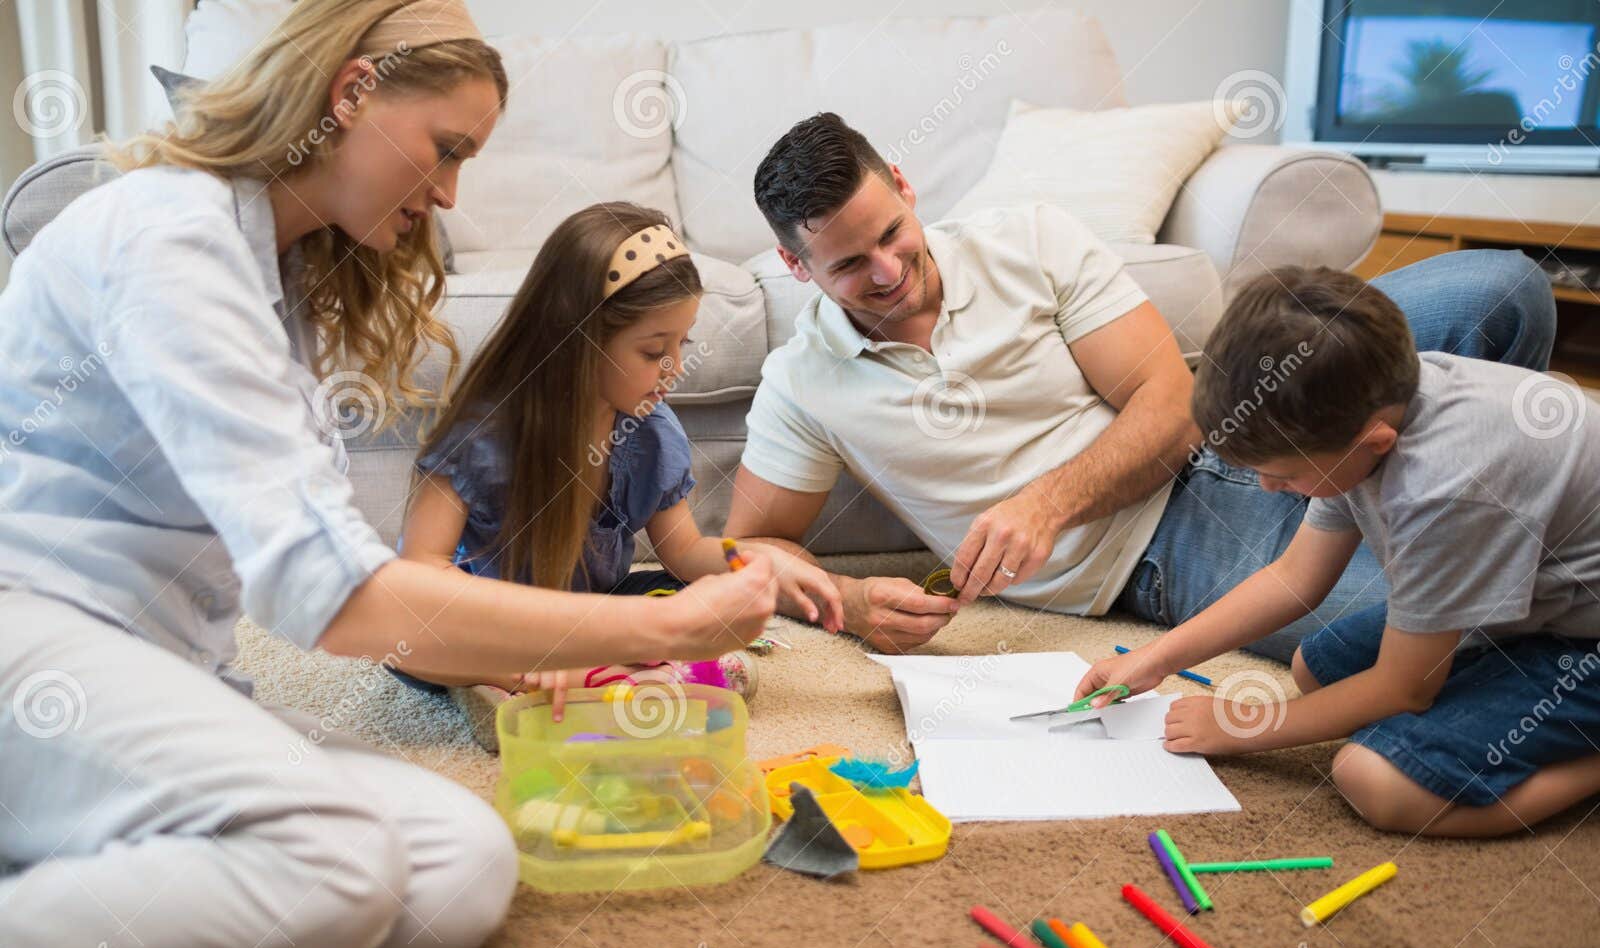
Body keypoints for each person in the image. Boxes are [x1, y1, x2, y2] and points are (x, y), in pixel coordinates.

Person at [0, 0, 774, 948]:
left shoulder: (276, 274)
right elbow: (336, 597)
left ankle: (68, 872)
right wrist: (661, 630)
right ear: (351, 93)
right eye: (445, 149)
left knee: (462, 861)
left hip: (165, 667)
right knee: (337, 857)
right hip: (34, 641)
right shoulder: (169, 236)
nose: (449, 193)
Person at [724, 112, 1557, 660]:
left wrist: (1044, 504)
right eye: (848, 263)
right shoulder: (802, 383)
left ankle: (1436, 497)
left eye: (893, 233)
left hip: (1238, 424)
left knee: (1504, 289)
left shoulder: (1028, 239)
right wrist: (849, 600)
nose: (888, 271)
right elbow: (748, 545)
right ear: (796, 266)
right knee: (1479, 625)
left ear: (905, 188)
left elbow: (1172, 404)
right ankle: (1419, 521)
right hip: (1165, 554)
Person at [1078, 267, 1600, 837]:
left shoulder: (1445, 488)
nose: (1267, 489)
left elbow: (1407, 688)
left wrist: (1243, 726)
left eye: (1284, 476)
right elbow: (1295, 578)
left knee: (1375, 779)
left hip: (1582, 643)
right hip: (1540, 604)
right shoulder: (1365, 411)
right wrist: (1155, 659)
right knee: (1316, 669)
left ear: (1374, 443)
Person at [394, 201, 841, 722]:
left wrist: (755, 563)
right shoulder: (482, 435)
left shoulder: (648, 430)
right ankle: (538, 677)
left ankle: (567, 680)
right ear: (576, 341)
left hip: (591, 615)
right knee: (409, 634)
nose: (675, 367)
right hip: (492, 624)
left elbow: (685, 551)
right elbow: (419, 570)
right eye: (653, 352)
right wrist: (524, 643)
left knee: (691, 598)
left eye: (683, 343)